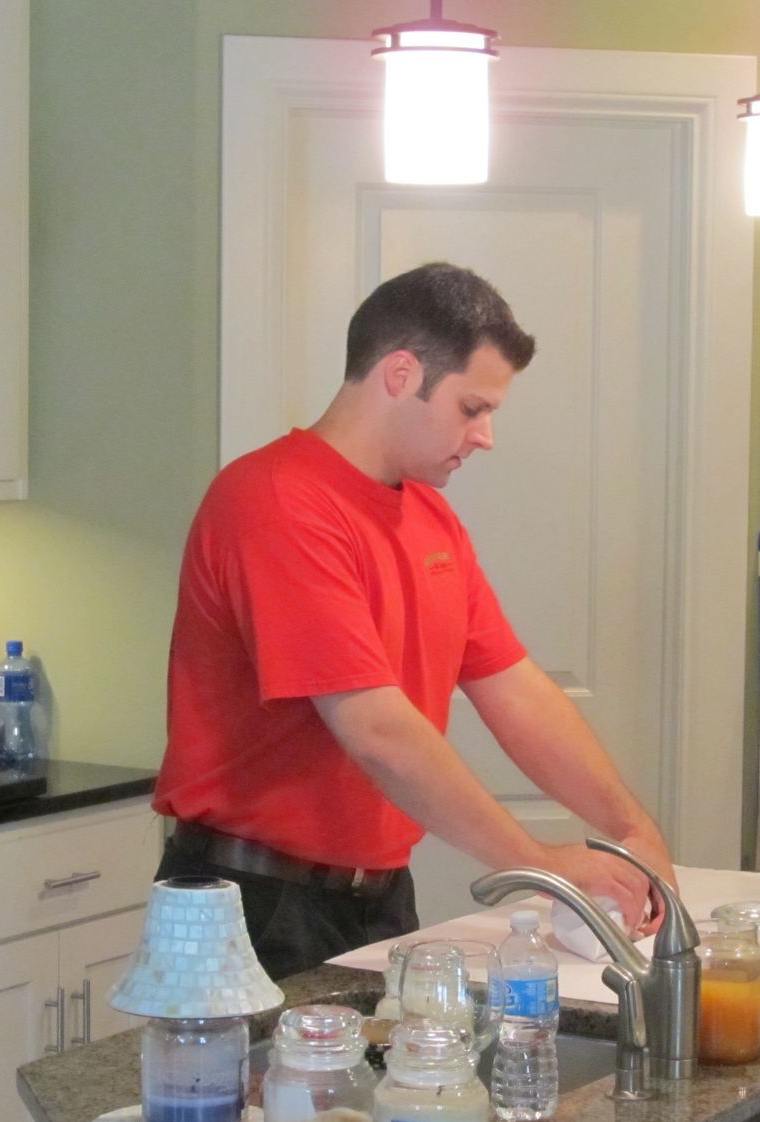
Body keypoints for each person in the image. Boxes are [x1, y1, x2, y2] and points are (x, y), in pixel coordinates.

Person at [154, 261, 676, 978]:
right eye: (472, 408)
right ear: (400, 374)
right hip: (248, 904)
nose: (486, 435)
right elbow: (377, 732)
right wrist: (543, 864)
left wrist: (629, 826)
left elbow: (515, 689)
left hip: (377, 896)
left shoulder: (429, 517)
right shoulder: (276, 501)